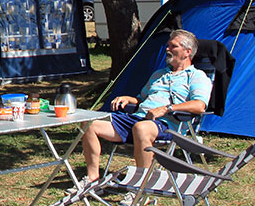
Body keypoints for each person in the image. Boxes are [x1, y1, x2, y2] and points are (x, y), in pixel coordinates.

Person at [74, 29, 211, 197]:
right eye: (167, 45)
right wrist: (130, 99)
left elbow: (199, 105)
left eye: (172, 46)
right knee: (90, 124)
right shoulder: (159, 74)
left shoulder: (196, 76)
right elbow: (142, 99)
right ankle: (93, 180)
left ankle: (142, 189)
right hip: (137, 119)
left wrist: (167, 109)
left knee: (142, 128)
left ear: (187, 52)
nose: (167, 49)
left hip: (168, 124)